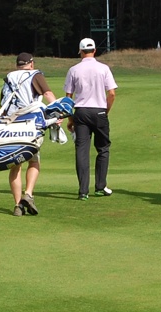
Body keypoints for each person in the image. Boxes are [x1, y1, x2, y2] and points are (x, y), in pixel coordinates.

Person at [1, 52, 57, 216]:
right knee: (33, 161)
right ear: (31, 63)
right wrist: (58, 112)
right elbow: (47, 94)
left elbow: (3, 103)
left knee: (15, 165)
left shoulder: (9, 77)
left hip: (11, 124)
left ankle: (18, 205)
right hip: (30, 124)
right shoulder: (35, 74)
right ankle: (29, 194)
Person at [64, 38, 118, 201]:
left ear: (80, 51)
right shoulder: (104, 68)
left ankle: (83, 191)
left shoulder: (74, 69)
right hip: (100, 111)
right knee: (103, 149)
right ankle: (100, 187)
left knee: (81, 150)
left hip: (81, 112)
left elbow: (68, 98)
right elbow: (112, 93)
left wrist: (71, 119)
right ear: (94, 50)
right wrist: (105, 111)